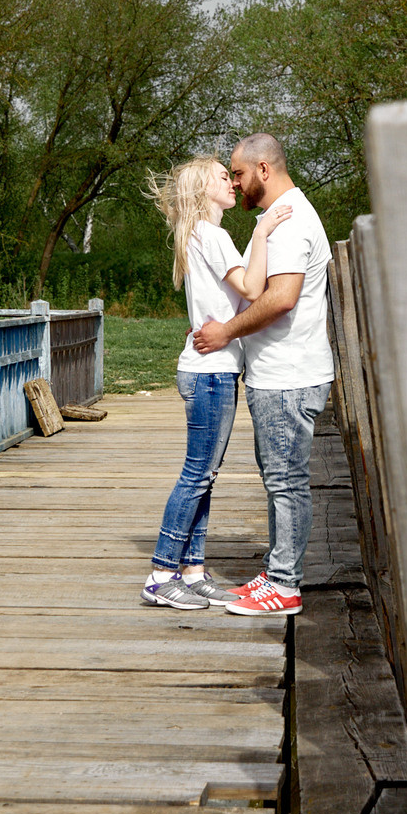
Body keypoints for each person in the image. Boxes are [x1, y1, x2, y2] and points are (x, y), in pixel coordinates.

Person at [139, 154, 293, 610]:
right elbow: (251, 289)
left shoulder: (197, 234)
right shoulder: (214, 234)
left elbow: (225, 302)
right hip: (210, 373)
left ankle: (192, 570)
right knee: (197, 475)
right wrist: (262, 232)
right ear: (202, 189)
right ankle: (161, 574)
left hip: (209, 369)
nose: (232, 183)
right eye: (223, 177)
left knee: (204, 476)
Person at [191, 133, 331, 618]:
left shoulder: (290, 222)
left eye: (239, 173)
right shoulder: (284, 216)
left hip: (288, 377)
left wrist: (225, 332)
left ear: (263, 170)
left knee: (286, 482)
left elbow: (281, 298)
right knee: (279, 479)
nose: (235, 183)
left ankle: (285, 586)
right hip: (279, 375)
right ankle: (276, 573)